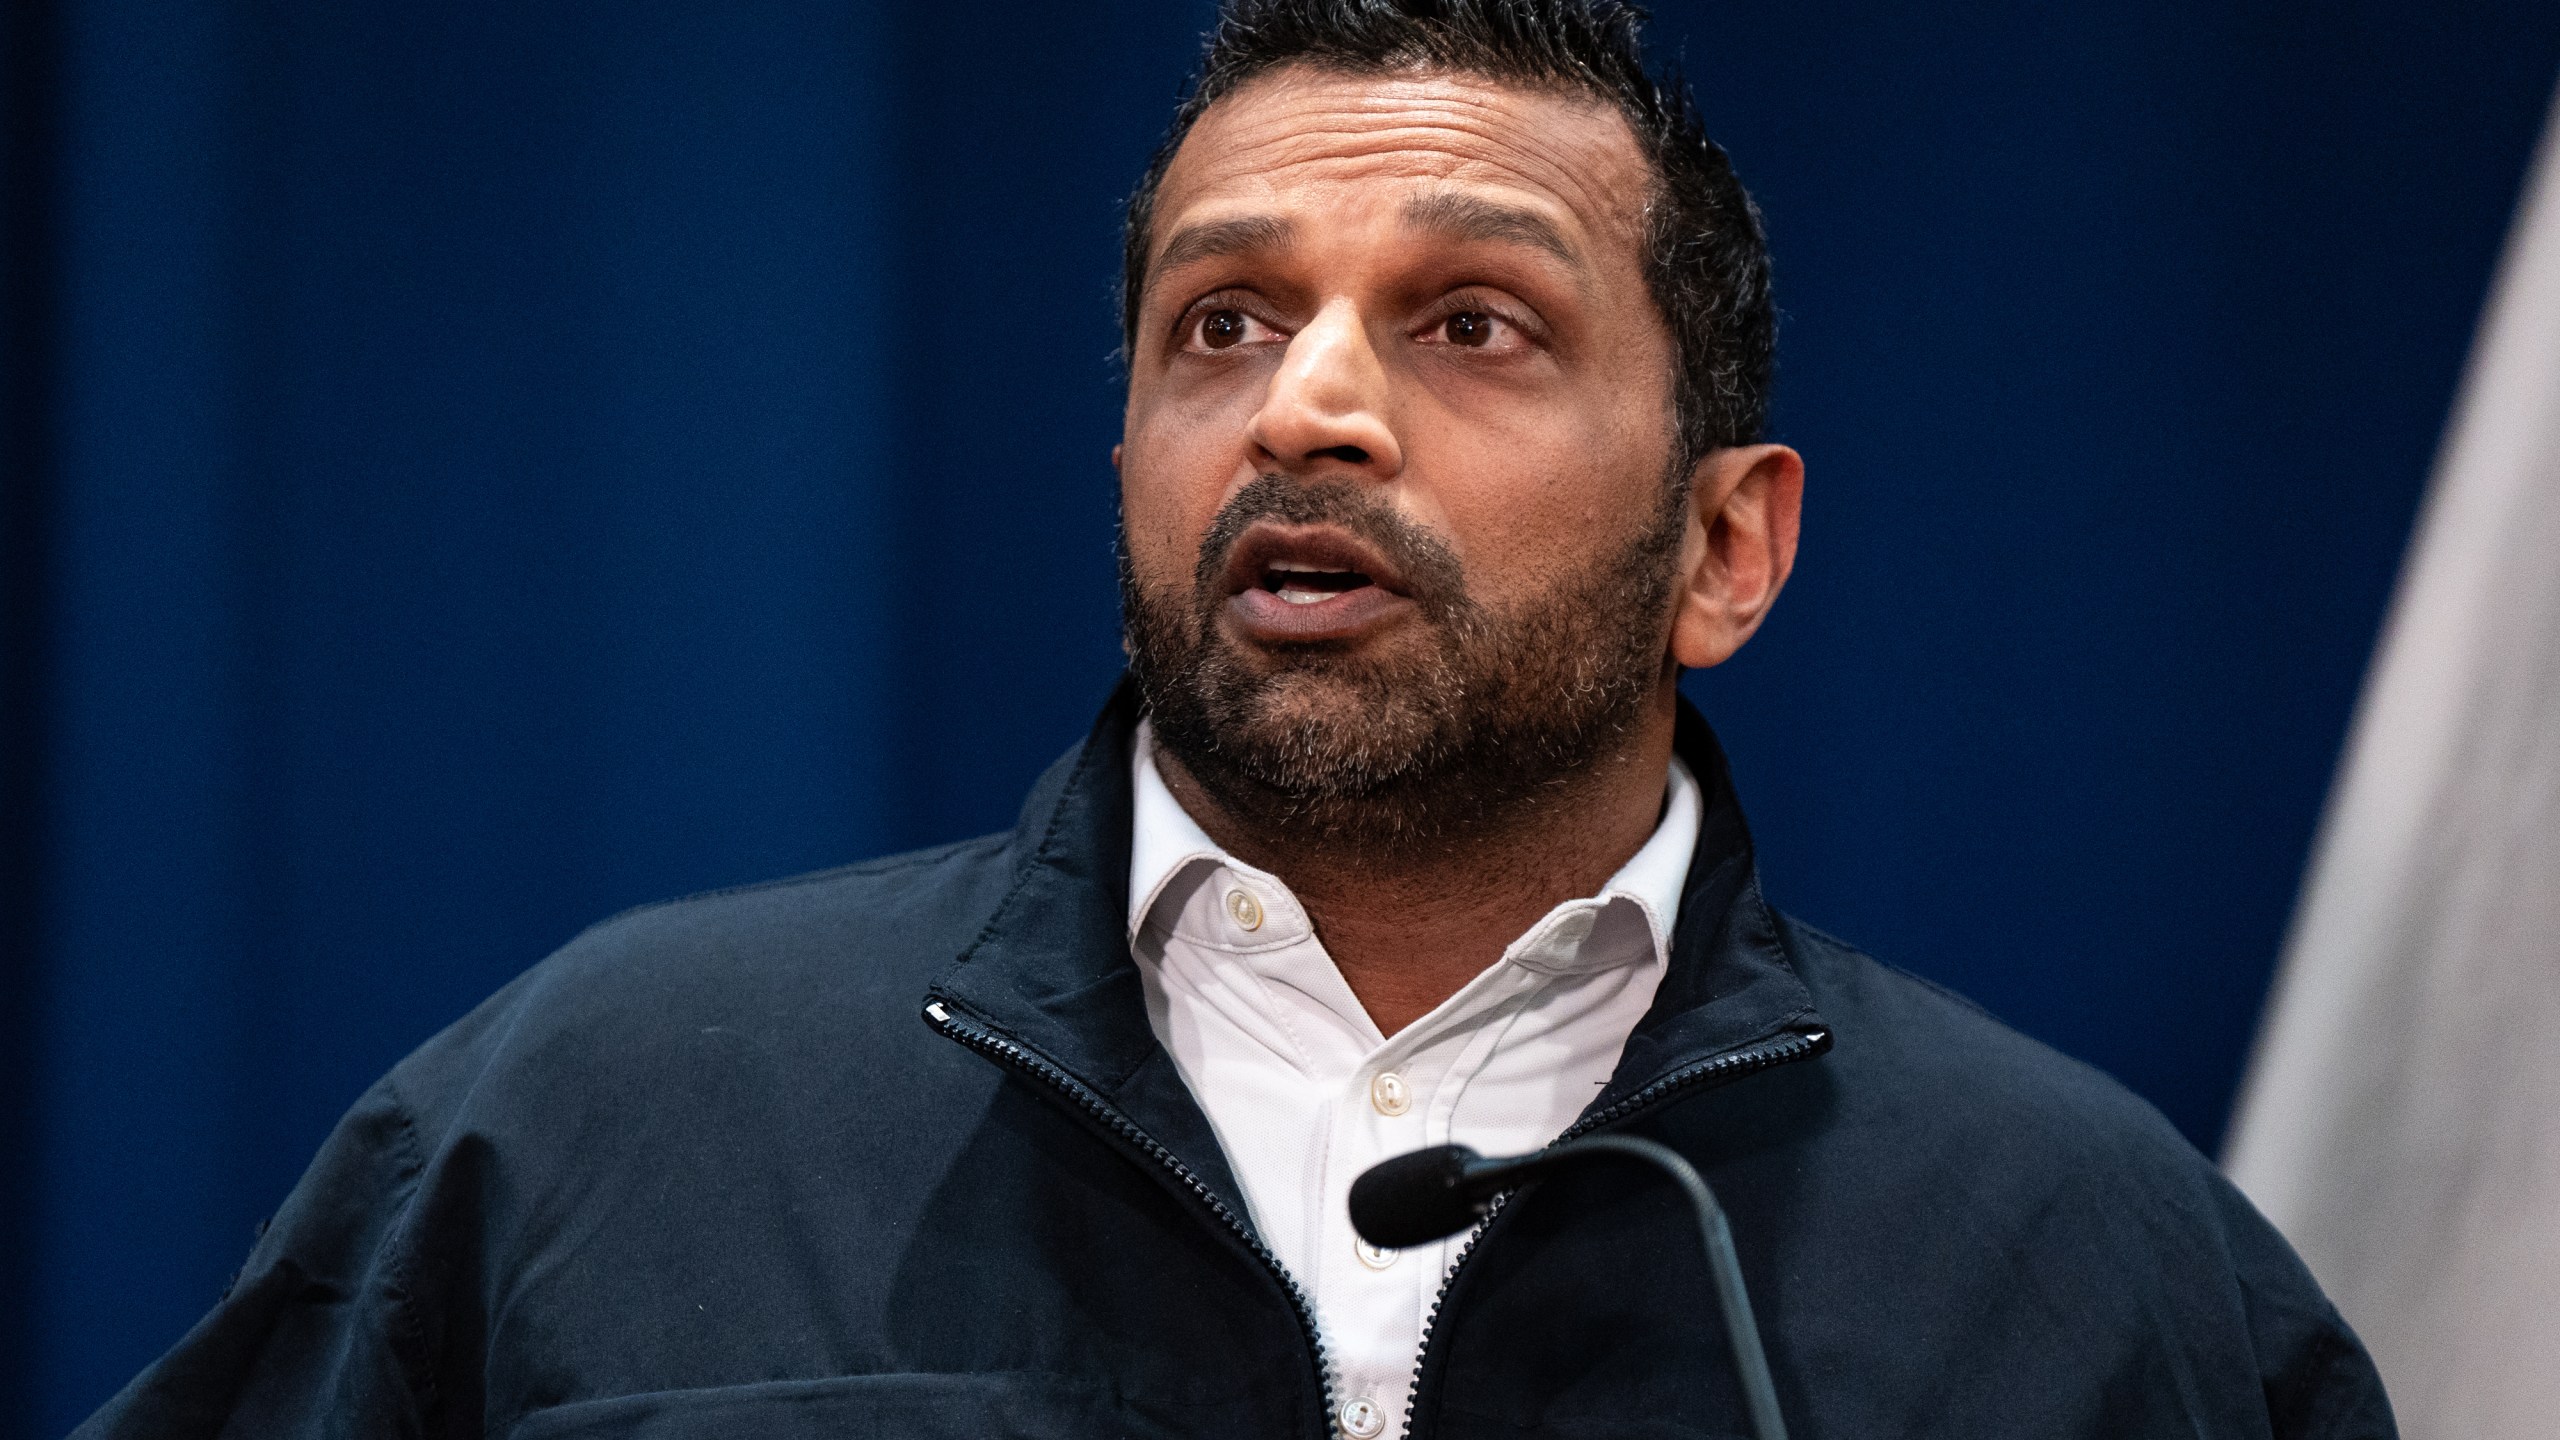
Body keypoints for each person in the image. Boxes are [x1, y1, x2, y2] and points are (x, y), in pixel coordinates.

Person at [79, 2, 2394, 1436]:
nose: (1306, 407)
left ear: (1724, 550)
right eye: (1216, 325)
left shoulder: (2095, 1276)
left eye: (1470, 322)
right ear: (1123, 475)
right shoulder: (590, 1125)